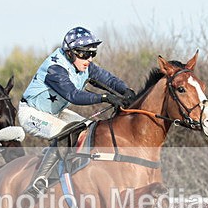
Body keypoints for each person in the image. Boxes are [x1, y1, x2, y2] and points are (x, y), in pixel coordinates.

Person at [18, 26, 136, 196]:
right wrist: (104, 98)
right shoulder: (55, 69)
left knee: (91, 130)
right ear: (70, 52)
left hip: (56, 112)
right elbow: (73, 95)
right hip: (31, 113)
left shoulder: (85, 66)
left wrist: (127, 91)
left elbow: (109, 79)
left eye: (92, 54)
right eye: (83, 54)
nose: (88, 59)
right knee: (67, 132)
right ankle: (39, 181)